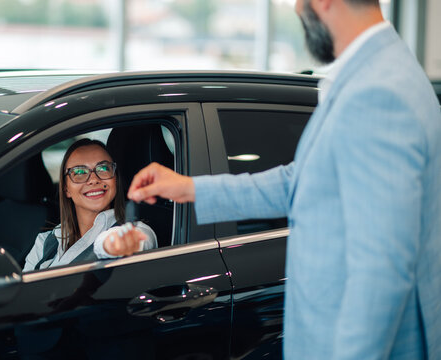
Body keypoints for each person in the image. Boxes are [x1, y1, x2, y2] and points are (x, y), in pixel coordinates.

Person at [128, 0, 441, 359]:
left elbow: (382, 267)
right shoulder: (383, 72)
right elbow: (299, 183)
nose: (295, 9)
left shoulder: (378, 91)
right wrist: (189, 188)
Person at [24, 138, 157, 271]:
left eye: (103, 168)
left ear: (115, 180)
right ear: (66, 188)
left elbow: (137, 243)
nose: (94, 180)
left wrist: (108, 245)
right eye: (80, 172)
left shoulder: (139, 231)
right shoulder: (45, 241)